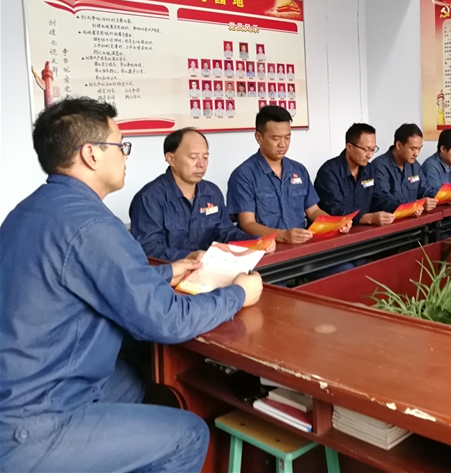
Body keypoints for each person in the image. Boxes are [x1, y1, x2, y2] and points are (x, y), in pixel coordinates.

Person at [0, 98, 263, 473]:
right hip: (36, 418)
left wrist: (168, 273)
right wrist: (238, 295)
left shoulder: (31, 210)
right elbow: (167, 320)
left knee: (130, 380)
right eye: (120, 145)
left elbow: (97, 278)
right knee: (188, 435)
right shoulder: (94, 225)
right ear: (91, 154)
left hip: (20, 383)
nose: (125, 155)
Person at [129, 127, 265, 261]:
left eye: (205, 157)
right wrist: (188, 257)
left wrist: (256, 242)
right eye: (193, 157)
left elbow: (225, 233)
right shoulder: (149, 199)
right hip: (171, 273)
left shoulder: (212, 193)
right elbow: (149, 249)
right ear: (171, 159)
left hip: (211, 269)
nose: (201, 164)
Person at [227, 105, 351, 244]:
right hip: (266, 249)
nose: (283, 144)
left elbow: (313, 211)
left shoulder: (298, 170)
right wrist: (283, 236)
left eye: (287, 138)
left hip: (302, 245)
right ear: (258, 137)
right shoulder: (243, 175)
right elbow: (247, 224)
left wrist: (335, 223)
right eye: (276, 138)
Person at [315, 123, 395, 227]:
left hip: (365, 230)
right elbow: (335, 209)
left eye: (373, 149)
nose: (370, 155)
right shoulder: (329, 172)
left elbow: (380, 198)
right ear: (349, 147)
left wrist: (401, 208)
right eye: (365, 149)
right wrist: (368, 218)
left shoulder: (370, 169)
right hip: (336, 231)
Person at [372, 123, 438, 214]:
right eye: (413, 149)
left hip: (413, 219)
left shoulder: (414, 165)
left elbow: (426, 190)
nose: (416, 153)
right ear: (399, 145)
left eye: (419, 149)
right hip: (392, 220)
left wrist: (447, 197)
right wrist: (415, 205)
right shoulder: (380, 166)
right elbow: (384, 201)